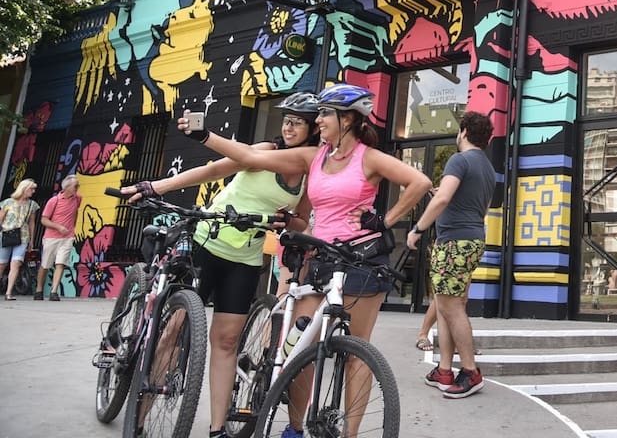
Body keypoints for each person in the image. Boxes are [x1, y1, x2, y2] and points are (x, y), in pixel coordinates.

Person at [181, 82, 431, 438]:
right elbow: (251, 158)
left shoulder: (369, 158)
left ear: (348, 119)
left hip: (362, 260)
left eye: (325, 114)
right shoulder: (314, 156)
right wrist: (206, 135)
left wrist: (384, 221)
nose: (319, 122)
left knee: (357, 353)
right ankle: (295, 429)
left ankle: (350, 434)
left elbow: (419, 181)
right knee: (301, 349)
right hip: (322, 258)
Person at [122, 92, 319, 438]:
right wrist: (156, 186)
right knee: (174, 332)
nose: (288, 127)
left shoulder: (305, 174)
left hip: (245, 258)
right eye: (286, 119)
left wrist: (286, 220)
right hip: (207, 242)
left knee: (227, 341)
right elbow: (214, 169)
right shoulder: (265, 151)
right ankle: (138, 419)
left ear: (312, 130)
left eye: (298, 122)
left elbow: (301, 220)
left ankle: (217, 430)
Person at [406, 110, 495, 399]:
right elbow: (475, 205)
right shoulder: (487, 168)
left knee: (451, 307)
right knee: (446, 306)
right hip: (471, 238)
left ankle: (470, 371)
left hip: (454, 242)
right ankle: (444, 370)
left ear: (464, 132)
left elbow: (443, 198)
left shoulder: (460, 159)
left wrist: (418, 228)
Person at [35, 175, 81, 300]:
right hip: (51, 237)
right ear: (67, 187)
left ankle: (54, 292)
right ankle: (39, 289)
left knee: (61, 263)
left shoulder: (77, 198)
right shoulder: (53, 201)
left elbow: (75, 212)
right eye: (75, 185)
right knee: (46, 264)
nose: (78, 188)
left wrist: (72, 227)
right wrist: (58, 227)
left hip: (67, 237)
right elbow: (44, 220)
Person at [1, 179, 40, 300]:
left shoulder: (32, 205)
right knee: (2, 264)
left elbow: (31, 223)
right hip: (6, 234)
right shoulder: (8, 202)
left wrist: (31, 240)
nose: (33, 191)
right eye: (31, 189)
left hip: (22, 236)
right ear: (24, 188)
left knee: (16, 263)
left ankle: (9, 292)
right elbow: (1, 218)